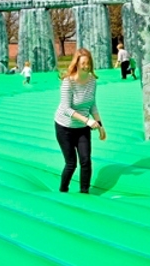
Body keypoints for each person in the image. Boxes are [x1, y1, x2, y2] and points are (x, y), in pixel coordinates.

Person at [54, 48, 107, 194]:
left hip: (82, 128)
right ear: (76, 63)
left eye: (88, 63)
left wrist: (100, 125)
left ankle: (85, 191)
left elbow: (92, 105)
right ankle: (63, 190)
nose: (86, 66)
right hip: (65, 127)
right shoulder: (68, 82)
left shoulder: (91, 81)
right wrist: (87, 120)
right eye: (83, 63)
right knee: (71, 164)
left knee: (86, 161)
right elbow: (66, 108)